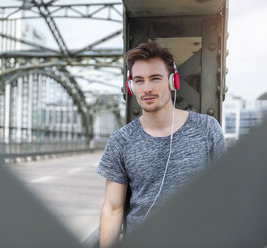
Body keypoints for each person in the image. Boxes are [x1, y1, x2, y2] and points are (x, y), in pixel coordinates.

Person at [97, 41, 227, 248]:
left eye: (155, 78)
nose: (147, 88)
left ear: (173, 81)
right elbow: (113, 208)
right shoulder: (120, 141)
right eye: (139, 80)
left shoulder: (207, 128)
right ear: (131, 86)